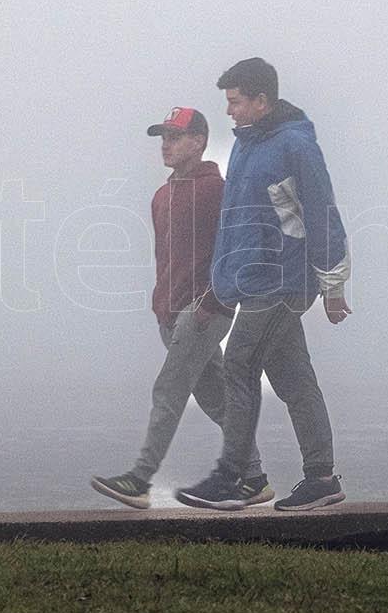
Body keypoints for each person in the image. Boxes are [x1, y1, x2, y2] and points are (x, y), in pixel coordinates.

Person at [178, 57, 351, 512]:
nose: (229, 111)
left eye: (235, 101)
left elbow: (322, 212)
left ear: (261, 100)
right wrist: (219, 288)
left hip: (282, 281)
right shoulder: (245, 147)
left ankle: (237, 479)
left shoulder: (295, 145)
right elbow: (236, 225)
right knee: (294, 379)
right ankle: (322, 479)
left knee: (238, 364)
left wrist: (333, 285)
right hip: (252, 281)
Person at [90, 107, 271, 510]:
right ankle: (255, 478)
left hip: (204, 312)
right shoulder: (161, 195)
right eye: (164, 137)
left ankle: (139, 479)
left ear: (199, 141)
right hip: (170, 314)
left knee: (168, 390)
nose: (166, 145)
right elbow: (165, 257)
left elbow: (243, 246)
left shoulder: (218, 191)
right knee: (217, 399)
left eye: (175, 137)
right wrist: (161, 305)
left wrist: (214, 301)